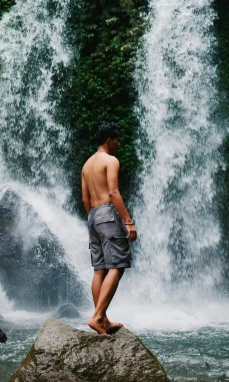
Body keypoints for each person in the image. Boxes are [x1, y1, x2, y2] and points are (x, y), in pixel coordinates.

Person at [81, 123, 137, 335]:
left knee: (100, 269)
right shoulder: (111, 161)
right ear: (109, 140)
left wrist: (93, 218)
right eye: (117, 140)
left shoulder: (86, 165)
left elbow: (85, 198)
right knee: (118, 265)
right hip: (107, 213)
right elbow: (113, 192)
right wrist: (128, 222)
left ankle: (102, 319)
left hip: (93, 216)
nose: (119, 143)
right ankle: (97, 317)